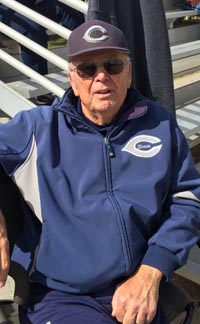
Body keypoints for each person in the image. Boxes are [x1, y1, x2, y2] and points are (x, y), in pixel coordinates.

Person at [0, 19, 199, 324]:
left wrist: (152, 269)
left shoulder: (159, 123)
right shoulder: (38, 128)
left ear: (128, 72)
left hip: (141, 283)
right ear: (72, 79)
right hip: (64, 295)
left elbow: (187, 198)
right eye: (87, 69)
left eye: (112, 65)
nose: (101, 77)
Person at [0, 0, 84, 105]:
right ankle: (41, 92)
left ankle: (89, 68)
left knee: (71, 11)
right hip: (6, 8)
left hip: (35, 4)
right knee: (31, 28)